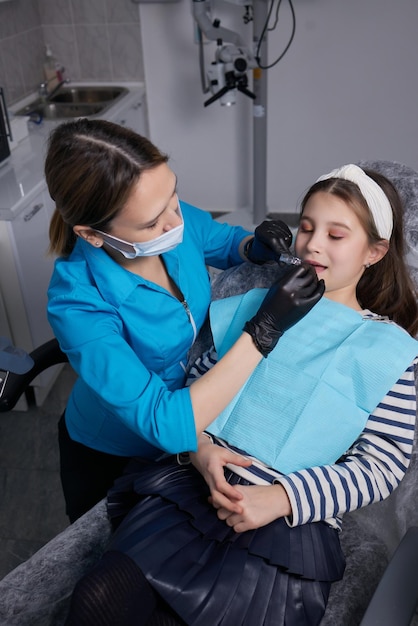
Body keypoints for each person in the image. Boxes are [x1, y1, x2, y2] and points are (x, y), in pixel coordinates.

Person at [64, 164, 418, 626]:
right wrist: (202, 450)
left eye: (336, 235)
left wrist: (281, 497)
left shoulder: (392, 351)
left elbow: (382, 465)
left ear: (375, 252)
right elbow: (197, 389)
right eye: (306, 227)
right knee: (100, 598)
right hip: (195, 486)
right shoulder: (259, 306)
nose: (311, 244)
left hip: (286, 521)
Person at [45, 118, 323, 523]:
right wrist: (264, 332)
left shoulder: (166, 212)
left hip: (195, 426)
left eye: (173, 197)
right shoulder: (76, 304)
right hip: (113, 451)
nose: (176, 221)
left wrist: (255, 246)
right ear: (92, 235)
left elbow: (223, 241)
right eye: (152, 222)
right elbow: (164, 421)